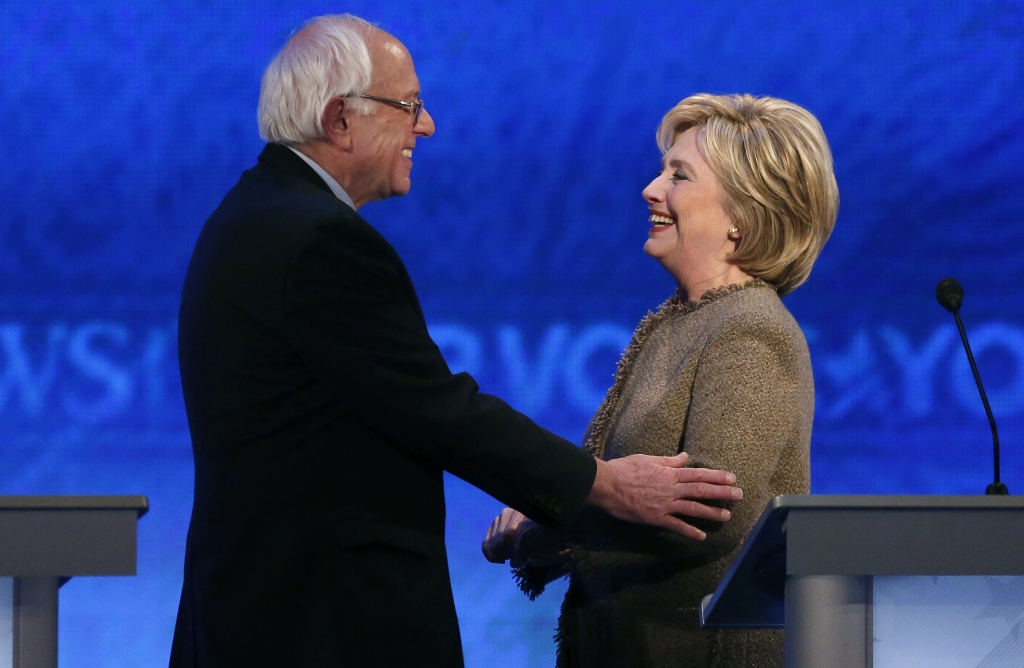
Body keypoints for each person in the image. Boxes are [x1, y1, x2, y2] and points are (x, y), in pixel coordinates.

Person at [169, 15, 745, 668]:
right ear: (340, 121)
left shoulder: (251, 215)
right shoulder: (319, 241)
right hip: (321, 622)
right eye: (409, 105)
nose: (428, 125)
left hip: (260, 611)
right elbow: (437, 411)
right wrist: (603, 485)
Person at [482, 93, 838, 667]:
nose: (651, 189)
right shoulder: (683, 320)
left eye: (679, 175)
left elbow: (709, 517)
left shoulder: (749, 332)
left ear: (742, 216)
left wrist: (550, 535)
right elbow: (630, 494)